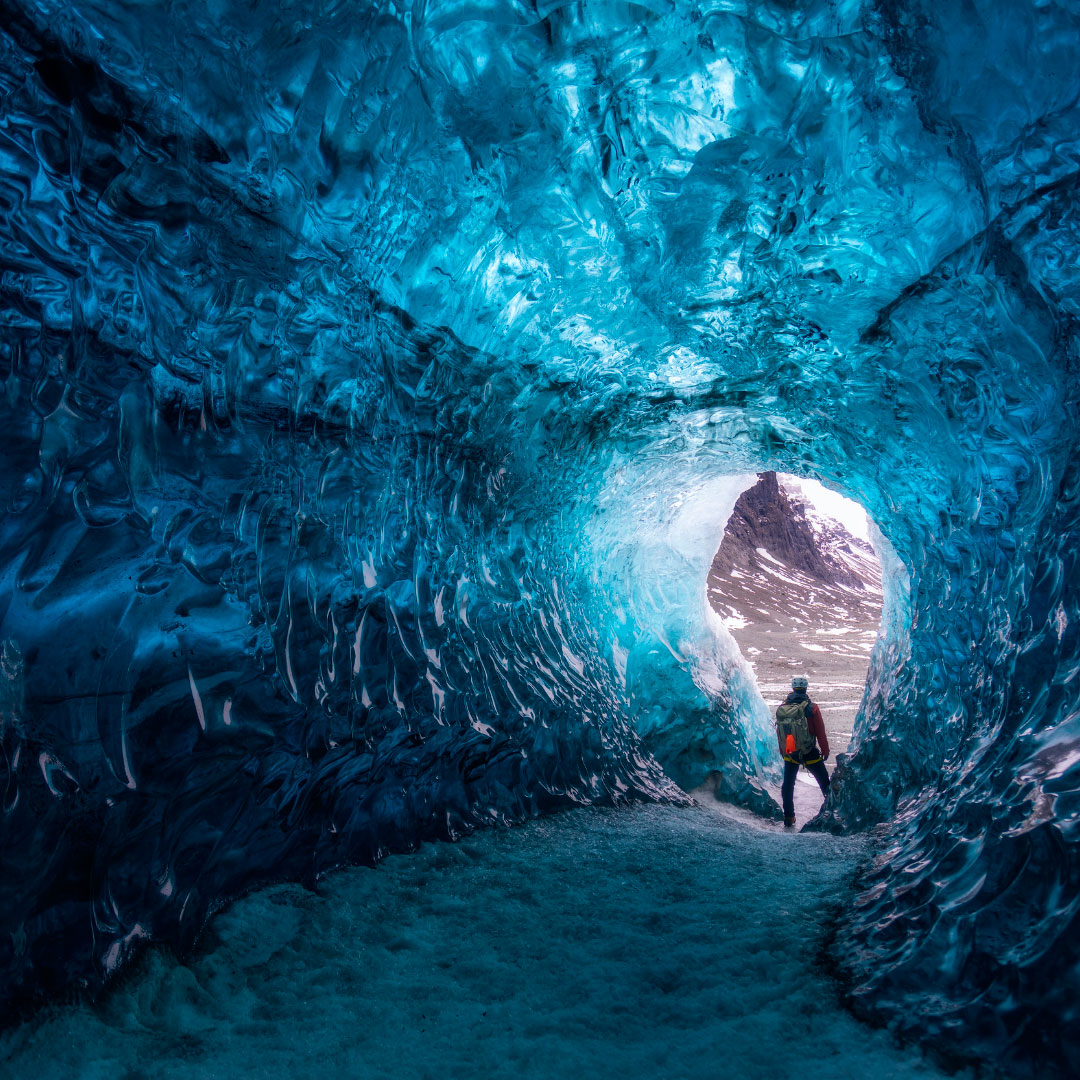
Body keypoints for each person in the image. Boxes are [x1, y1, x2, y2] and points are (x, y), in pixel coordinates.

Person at [775, 675, 830, 828]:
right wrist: (825, 751)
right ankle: (833, 810)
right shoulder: (812, 708)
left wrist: (783, 751)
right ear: (806, 688)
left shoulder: (783, 707)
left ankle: (789, 816)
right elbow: (820, 732)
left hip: (790, 752)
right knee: (824, 782)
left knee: (788, 785)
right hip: (809, 752)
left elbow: (780, 733)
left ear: (793, 689)